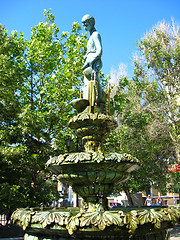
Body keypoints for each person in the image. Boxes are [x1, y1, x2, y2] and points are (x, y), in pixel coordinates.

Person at [81, 14, 103, 101]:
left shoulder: (95, 34)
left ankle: (98, 101)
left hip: (93, 63)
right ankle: (88, 102)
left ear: (92, 23)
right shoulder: (91, 37)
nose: (84, 26)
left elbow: (99, 50)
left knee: (94, 82)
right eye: (83, 24)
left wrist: (92, 59)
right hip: (88, 63)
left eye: (86, 24)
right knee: (87, 84)